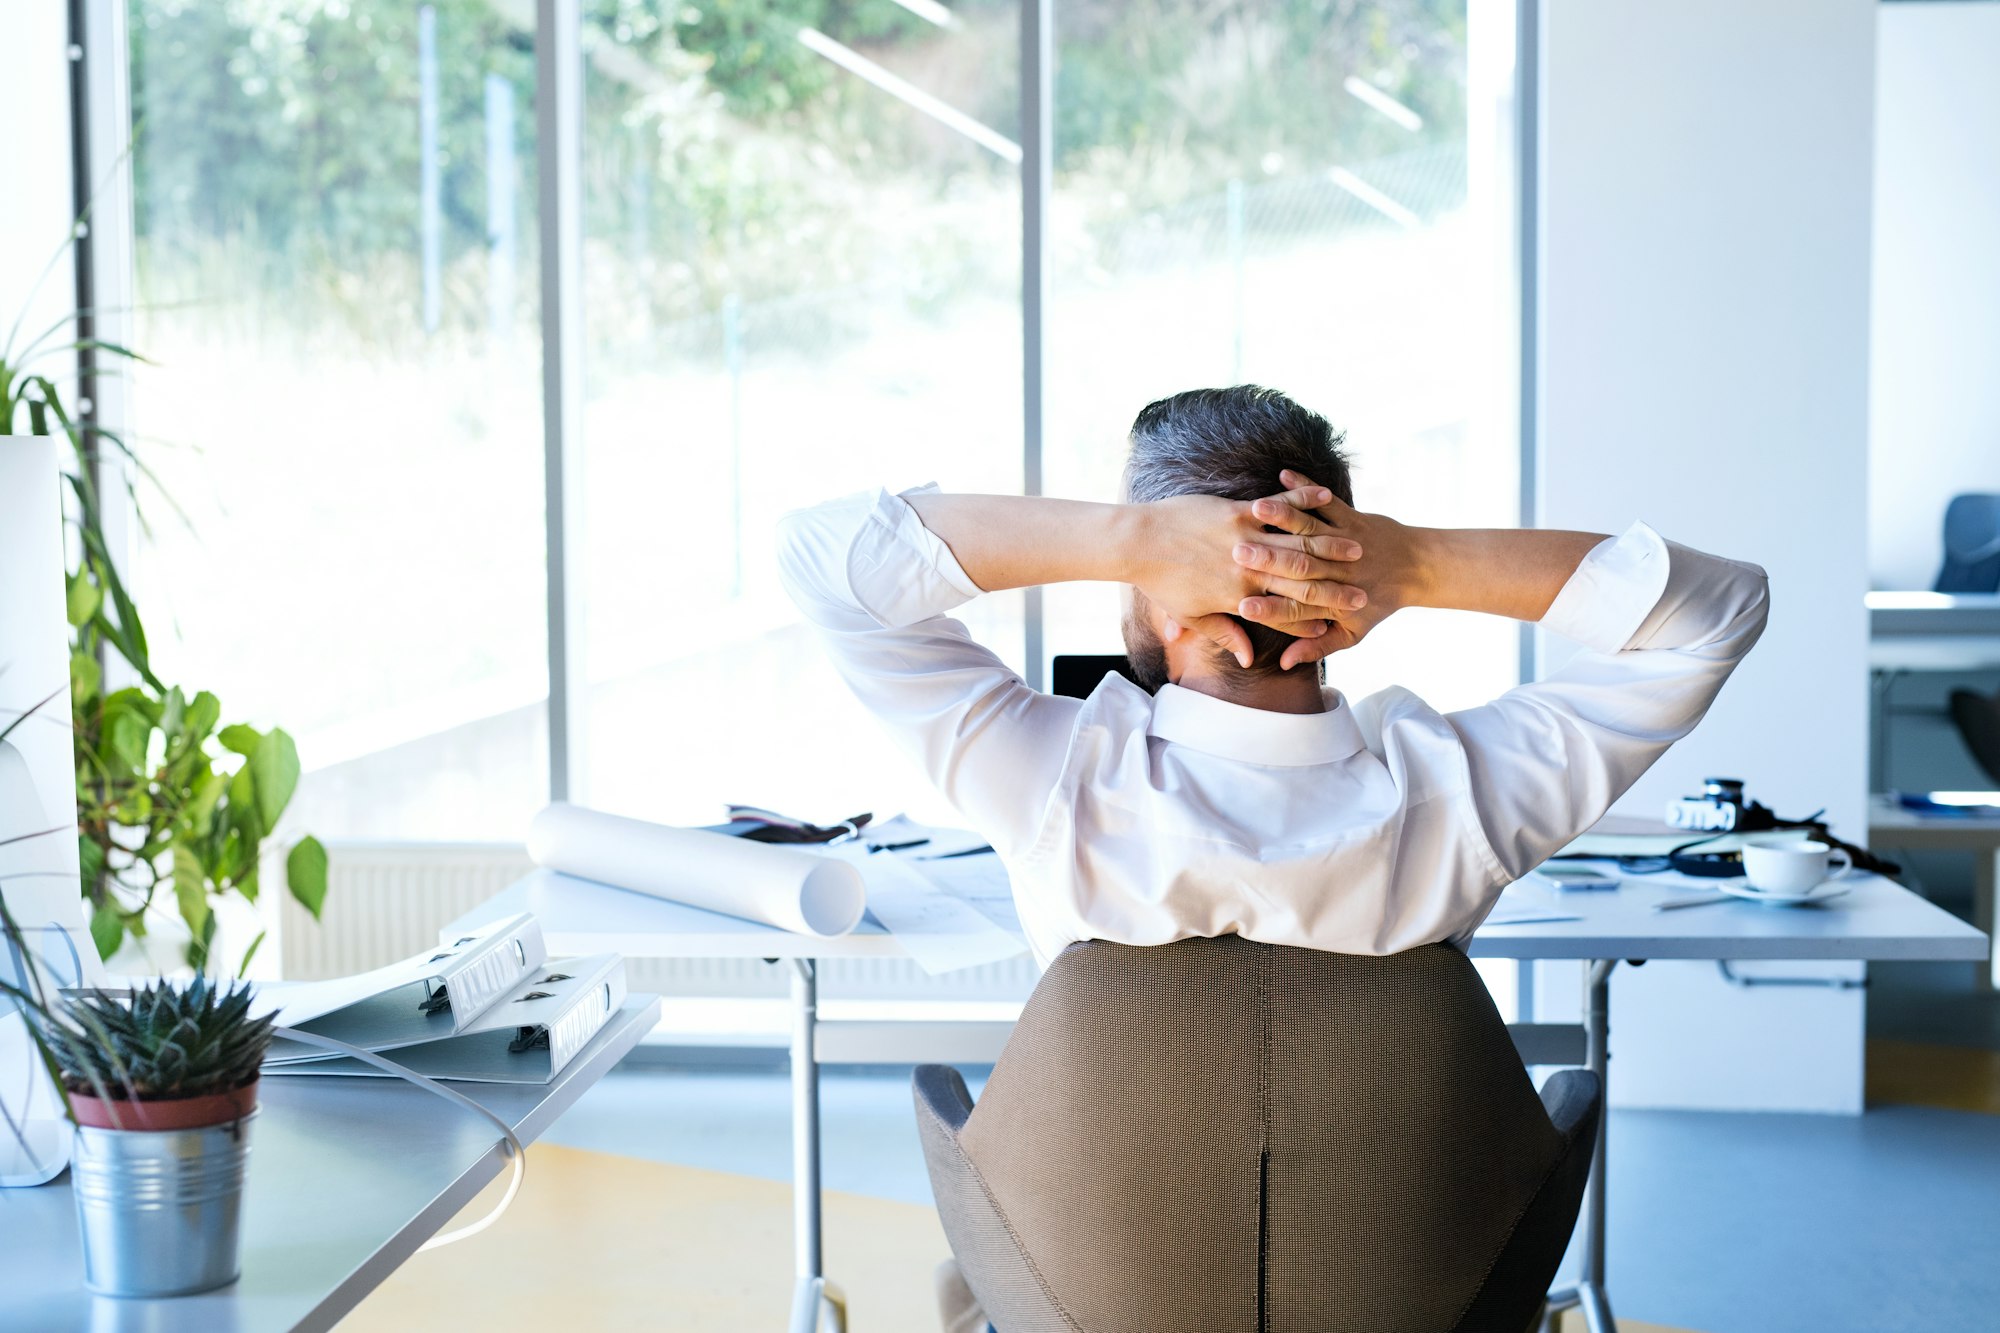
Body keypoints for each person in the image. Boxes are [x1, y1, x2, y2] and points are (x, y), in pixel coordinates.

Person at [776, 384, 1770, 968]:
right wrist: (1414, 562)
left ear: (1163, 593)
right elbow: (1720, 610)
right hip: (1383, 1259)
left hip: (1098, 1262)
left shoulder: (1049, 784)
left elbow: (820, 559)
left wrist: (1130, 539)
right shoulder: (1467, 796)